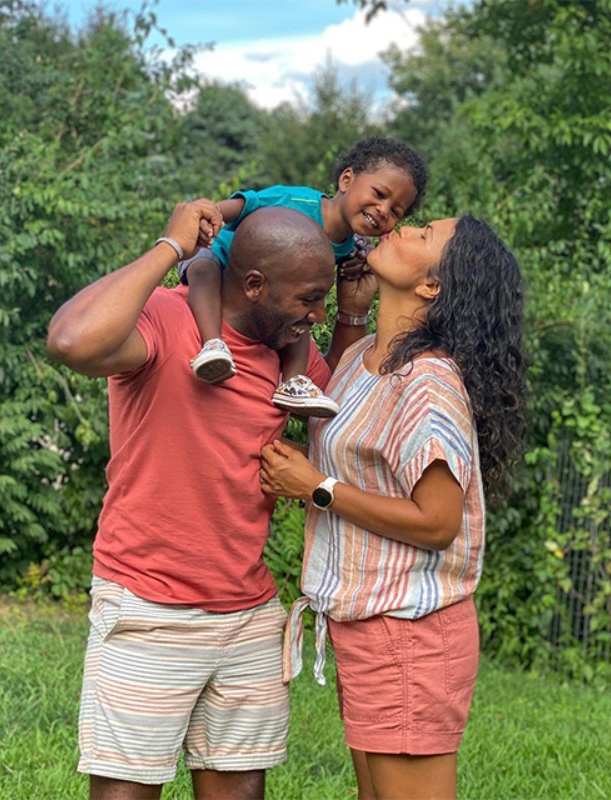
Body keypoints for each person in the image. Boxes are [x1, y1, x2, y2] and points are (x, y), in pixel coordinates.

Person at [45, 199, 378, 800]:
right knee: (127, 790)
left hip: (248, 612)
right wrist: (170, 247)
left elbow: (345, 406)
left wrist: (352, 315)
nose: (318, 314)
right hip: (150, 605)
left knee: (242, 788)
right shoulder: (169, 321)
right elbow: (70, 340)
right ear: (254, 285)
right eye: (307, 299)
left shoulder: (287, 356)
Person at [259, 215, 527, 800]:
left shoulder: (426, 383)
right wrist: (351, 311)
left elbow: (437, 522)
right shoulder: (363, 361)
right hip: (371, 623)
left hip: (411, 631)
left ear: (431, 285)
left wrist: (315, 487)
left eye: (423, 232)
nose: (402, 226)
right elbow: (344, 443)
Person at [182, 136, 428, 419]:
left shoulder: (351, 246)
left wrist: (356, 264)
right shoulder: (298, 200)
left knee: (303, 317)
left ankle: (293, 381)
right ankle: (212, 343)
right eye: (380, 194)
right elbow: (246, 204)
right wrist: (206, 217)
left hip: (266, 298)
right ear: (346, 180)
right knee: (202, 268)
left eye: (396, 211)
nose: (383, 210)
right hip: (220, 254)